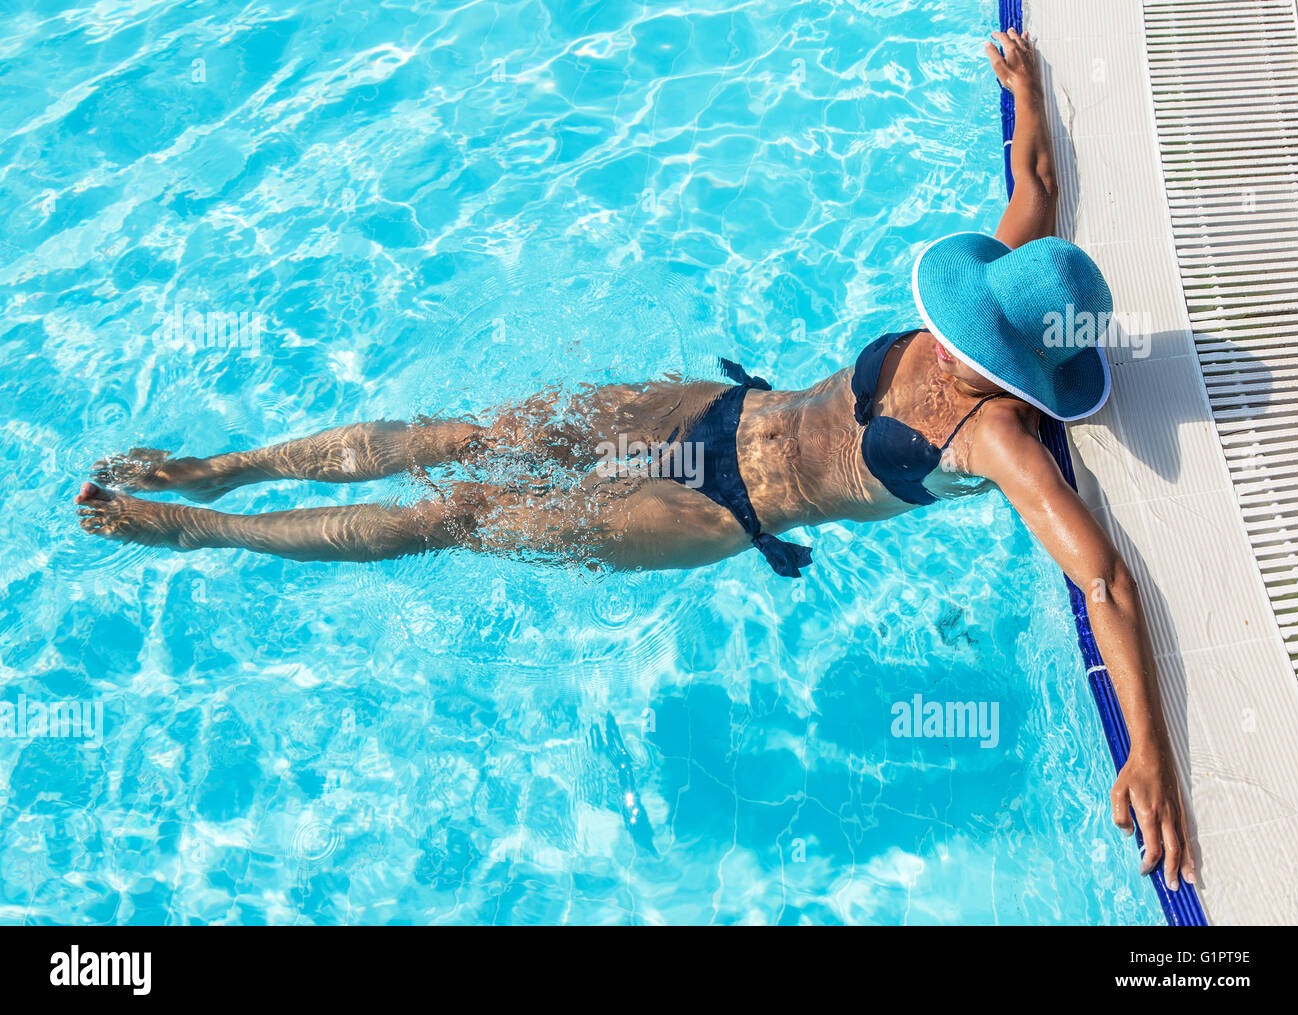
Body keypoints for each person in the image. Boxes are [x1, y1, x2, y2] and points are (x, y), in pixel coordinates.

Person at [74, 29, 1194, 889]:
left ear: (1016, 377)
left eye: (981, 349)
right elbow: (1035, 184)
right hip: (711, 409)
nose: (957, 341)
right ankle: (219, 467)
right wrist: (1025, 86)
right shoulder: (986, 297)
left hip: (722, 509)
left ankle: (202, 527)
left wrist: (1145, 751)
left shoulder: (995, 436)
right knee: (467, 435)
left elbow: (1100, 579)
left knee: (462, 509)